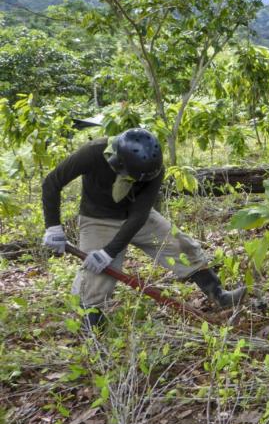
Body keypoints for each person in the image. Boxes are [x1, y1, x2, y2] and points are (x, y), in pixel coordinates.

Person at [41, 128, 246, 331]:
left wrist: (109, 251)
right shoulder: (93, 152)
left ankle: (219, 296)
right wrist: (53, 227)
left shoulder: (154, 169)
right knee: (96, 278)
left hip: (138, 217)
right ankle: (91, 329)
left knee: (182, 245)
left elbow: (139, 216)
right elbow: (52, 182)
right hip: (98, 220)